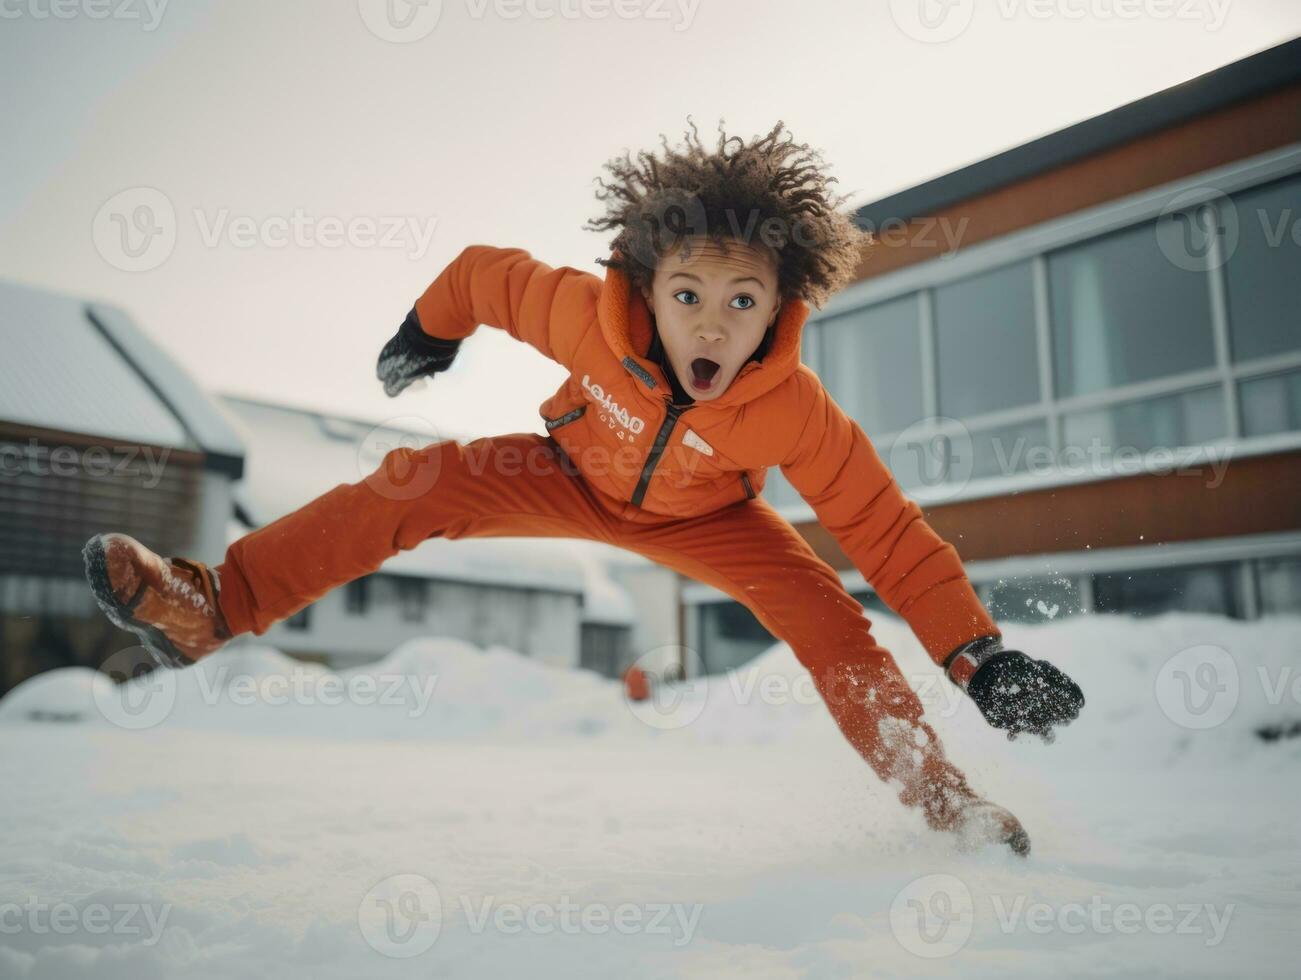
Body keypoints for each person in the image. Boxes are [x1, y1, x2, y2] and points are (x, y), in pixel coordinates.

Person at [83, 118, 1083, 856]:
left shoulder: (796, 412)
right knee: (415, 479)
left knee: (830, 619)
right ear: (645, 286)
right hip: (564, 468)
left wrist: (976, 654)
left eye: (741, 302)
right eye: (686, 294)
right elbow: (484, 275)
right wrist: (428, 331)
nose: (708, 326)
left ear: (780, 306)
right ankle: (215, 603)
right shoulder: (583, 317)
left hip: (716, 520)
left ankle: (944, 803)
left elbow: (882, 527)